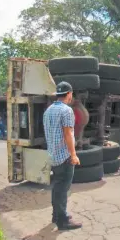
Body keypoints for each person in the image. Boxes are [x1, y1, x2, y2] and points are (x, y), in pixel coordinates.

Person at [43, 81, 82, 230]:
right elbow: (68, 134)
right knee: (63, 189)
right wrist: (73, 154)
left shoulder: (48, 110)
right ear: (69, 94)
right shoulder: (66, 110)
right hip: (64, 156)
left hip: (53, 155)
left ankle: (56, 215)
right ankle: (63, 220)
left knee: (57, 187)